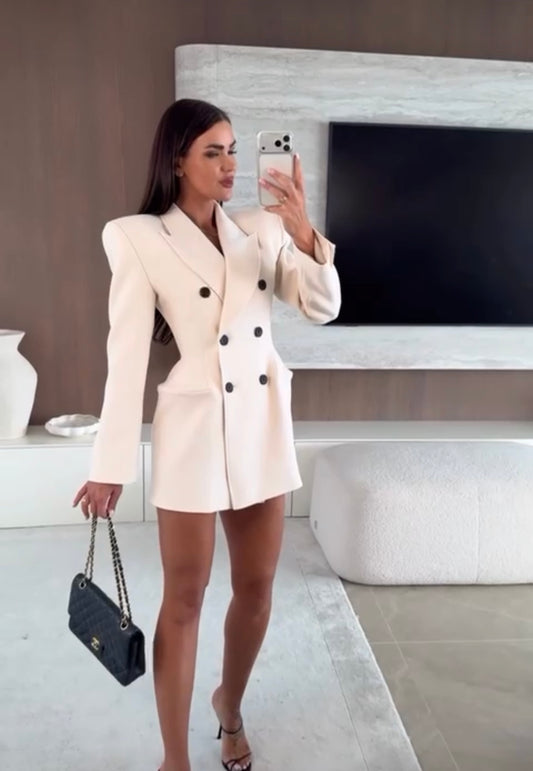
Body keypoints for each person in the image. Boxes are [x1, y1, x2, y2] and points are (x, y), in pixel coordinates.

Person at [72, 98, 341, 771]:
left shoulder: (262, 227)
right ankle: (174, 758)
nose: (229, 166)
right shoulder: (136, 236)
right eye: (212, 152)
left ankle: (230, 707)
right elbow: (125, 356)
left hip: (259, 423)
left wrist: (303, 230)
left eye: (232, 150)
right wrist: (109, 464)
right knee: (184, 599)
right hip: (194, 431)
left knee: (256, 589)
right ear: (176, 161)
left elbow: (322, 306)